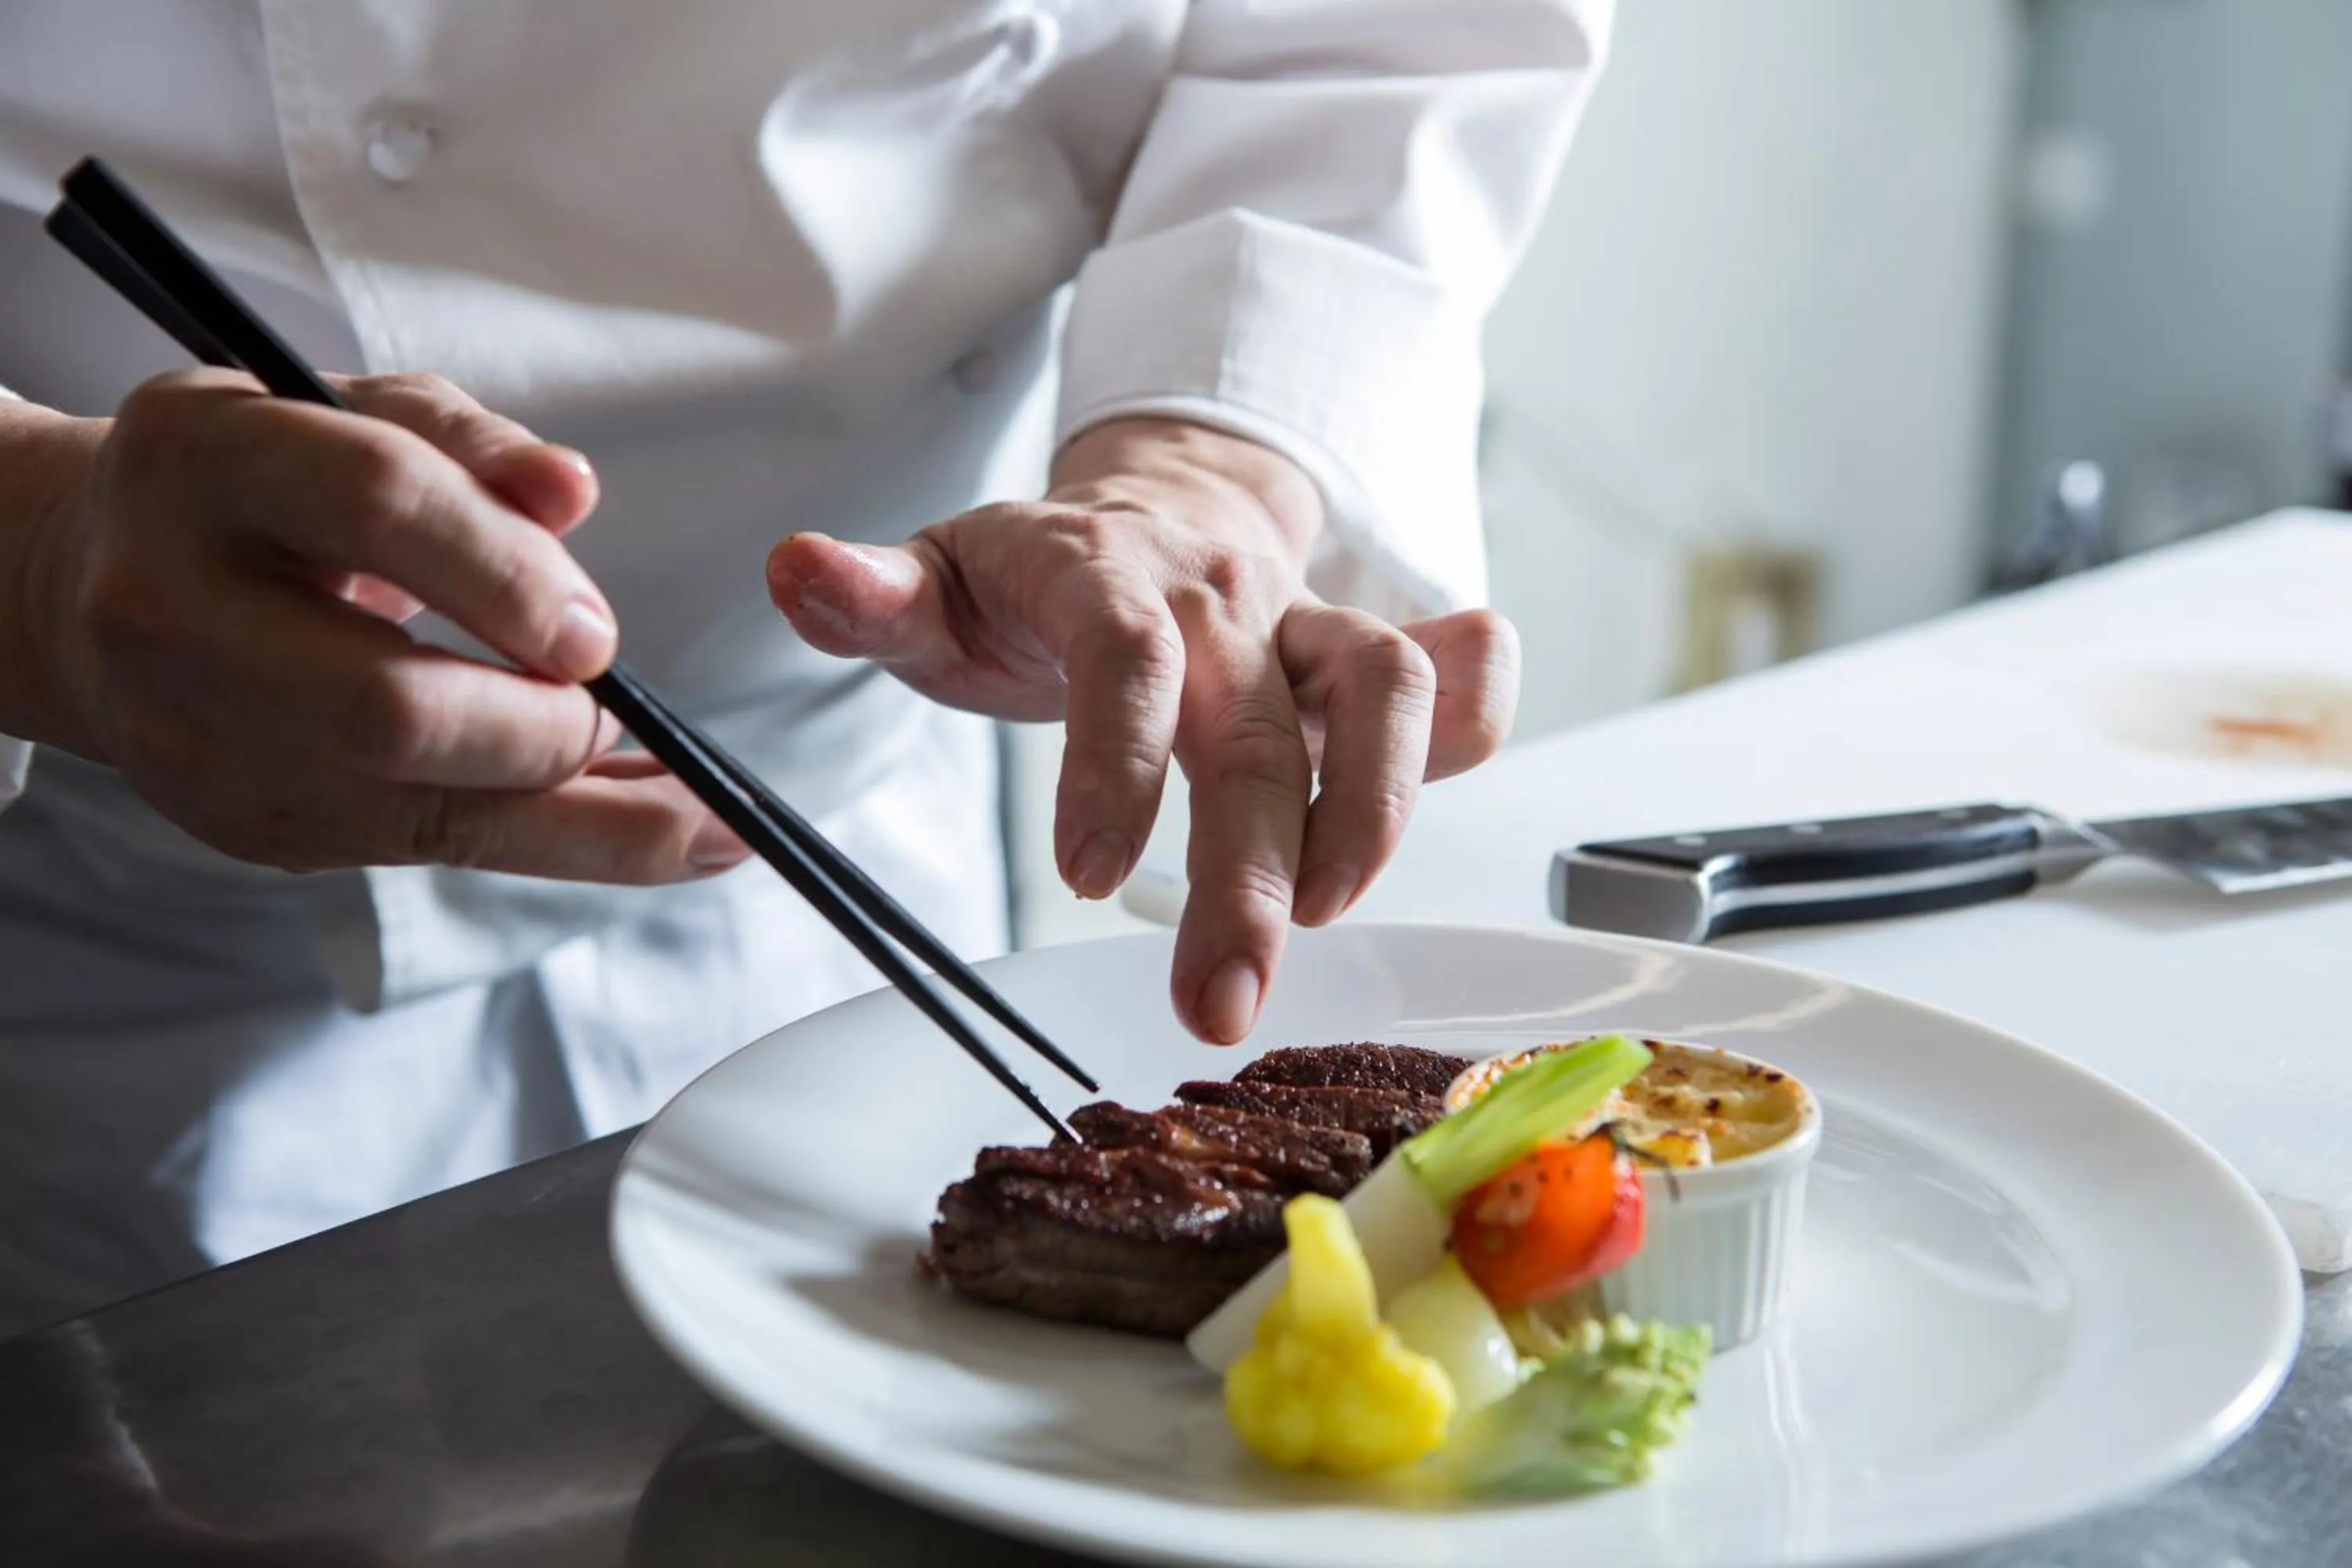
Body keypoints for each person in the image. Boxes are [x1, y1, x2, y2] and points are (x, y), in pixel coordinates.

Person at [0, 1, 1611, 1335]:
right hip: (95, 963)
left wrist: (1212, 461)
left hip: (840, 875)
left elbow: (1391, 38)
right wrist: (32, 553)